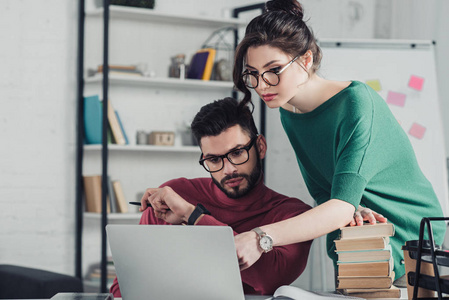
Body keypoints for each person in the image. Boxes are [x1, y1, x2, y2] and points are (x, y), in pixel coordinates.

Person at [231, 0, 446, 287]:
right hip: (357, 233)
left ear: (305, 60)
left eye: (273, 70)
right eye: (253, 74)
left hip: (410, 232)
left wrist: (260, 238)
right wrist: (352, 208)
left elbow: (339, 205)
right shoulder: (288, 111)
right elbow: (324, 192)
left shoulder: (357, 105)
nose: (262, 85)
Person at [109, 97, 313, 297]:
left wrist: (193, 216)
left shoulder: (293, 215)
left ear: (260, 147)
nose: (228, 169)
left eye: (237, 153)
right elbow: (124, 288)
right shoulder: (171, 196)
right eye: (214, 160)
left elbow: (269, 280)